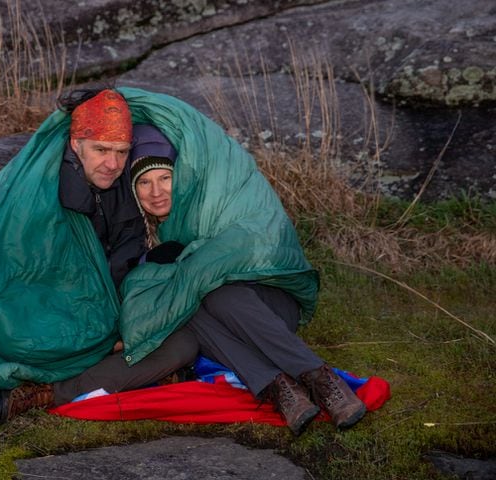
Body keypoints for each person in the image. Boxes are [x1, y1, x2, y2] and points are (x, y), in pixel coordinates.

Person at [125, 124, 366, 435]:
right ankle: (280, 389)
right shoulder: (142, 237)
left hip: (269, 308)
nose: (156, 192)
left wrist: (197, 268)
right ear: (134, 189)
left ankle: (322, 380)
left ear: (181, 178)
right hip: (220, 330)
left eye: (165, 178)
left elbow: (252, 244)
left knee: (213, 292)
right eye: (144, 182)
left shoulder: (213, 208)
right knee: (183, 306)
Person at [0, 89, 198, 423]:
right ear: (75, 145)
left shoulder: (122, 191)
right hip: (50, 320)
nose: (112, 164)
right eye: (101, 150)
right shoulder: (43, 194)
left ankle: (49, 393)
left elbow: (124, 263)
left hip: (107, 315)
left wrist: (130, 322)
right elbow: (32, 280)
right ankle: (84, 379)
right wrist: (108, 329)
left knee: (181, 344)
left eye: (121, 152)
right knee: (164, 347)